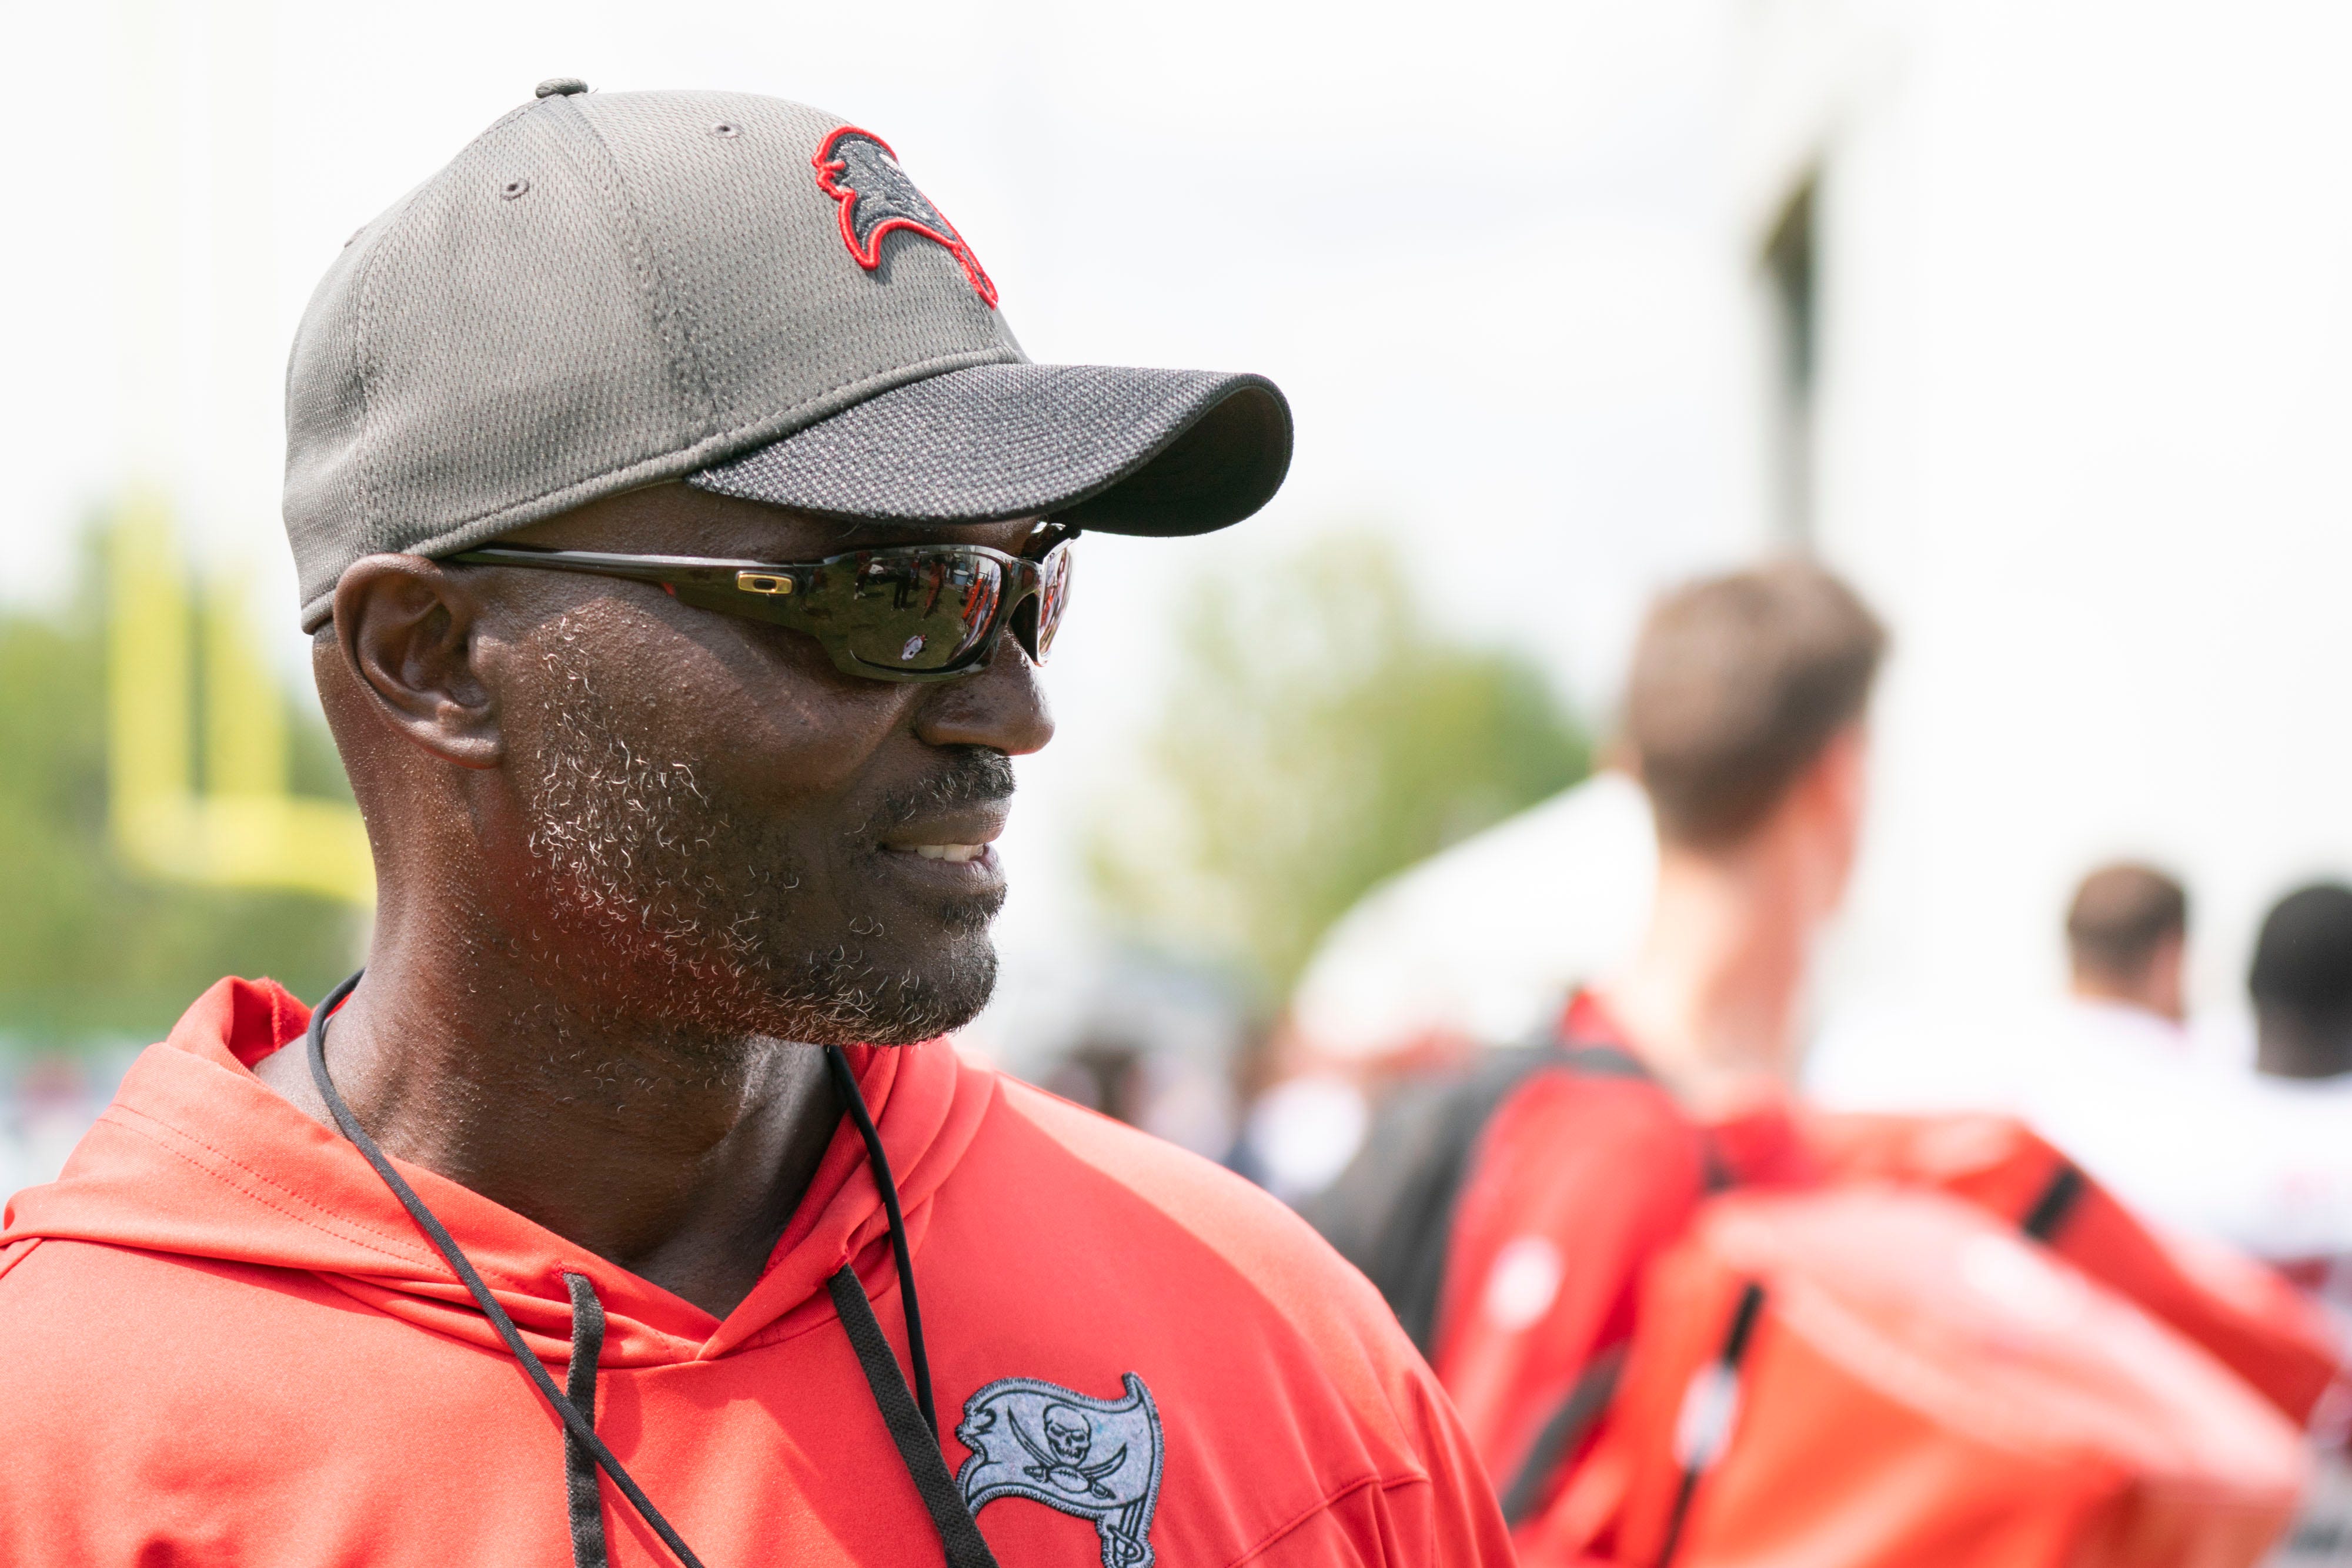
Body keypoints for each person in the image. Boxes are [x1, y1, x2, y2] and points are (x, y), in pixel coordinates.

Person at [0, 84, 1511, 1567]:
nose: (1014, 710)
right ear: (433, 655)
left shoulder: (1261, 1345)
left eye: (1025, 586)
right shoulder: (65, 1434)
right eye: (894, 597)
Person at [1406, 561, 1887, 1526]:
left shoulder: (1682, 1125)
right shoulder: (1625, 1146)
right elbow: (1498, 1534)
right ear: (1838, 781)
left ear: (1628, 770)